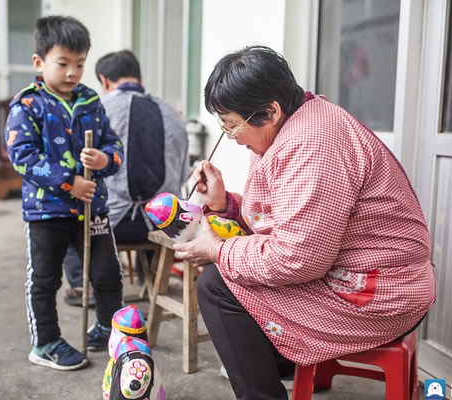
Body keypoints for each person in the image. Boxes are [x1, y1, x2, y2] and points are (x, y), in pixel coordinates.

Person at [173, 45, 436, 400]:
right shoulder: (296, 125)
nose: (232, 139)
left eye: (232, 127)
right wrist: (225, 203)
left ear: (270, 111)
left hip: (380, 293)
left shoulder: (313, 144)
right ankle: (282, 361)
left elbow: (295, 259)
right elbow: (288, 221)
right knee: (230, 274)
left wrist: (217, 249)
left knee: (217, 284)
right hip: (361, 272)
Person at [4, 16, 125, 371]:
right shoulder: (28, 104)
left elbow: (114, 145)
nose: (73, 72)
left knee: (106, 274)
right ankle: (46, 342)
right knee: (45, 278)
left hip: (93, 209)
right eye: (63, 63)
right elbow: (23, 156)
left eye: (80, 64)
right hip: (47, 212)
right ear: (39, 63)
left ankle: (108, 328)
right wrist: (70, 182)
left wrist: (105, 159)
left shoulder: (90, 100)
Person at [62, 50, 189, 305]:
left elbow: (76, 171)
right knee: (164, 196)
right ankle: (149, 275)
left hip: (110, 226)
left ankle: (81, 285)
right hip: (164, 226)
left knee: (64, 212)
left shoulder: (95, 111)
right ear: (139, 77)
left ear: (104, 80)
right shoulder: (173, 115)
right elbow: (183, 175)